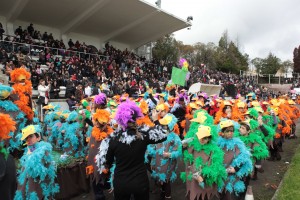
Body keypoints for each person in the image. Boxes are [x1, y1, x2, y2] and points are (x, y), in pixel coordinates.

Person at [96, 100, 168, 200]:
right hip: (140, 181)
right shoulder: (143, 135)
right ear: (135, 118)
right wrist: (156, 120)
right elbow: (163, 135)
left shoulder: (112, 139)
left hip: (121, 182)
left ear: (119, 119)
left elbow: (106, 162)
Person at [15, 124, 59, 199]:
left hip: (39, 183)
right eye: (26, 138)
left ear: (38, 137)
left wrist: (30, 155)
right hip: (28, 182)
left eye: (31, 136)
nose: (28, 139)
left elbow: (37, 169)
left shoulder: (44, 148)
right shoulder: (29, 149)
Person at [147, 113, 182, 199]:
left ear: (170, 127)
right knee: (159, 179)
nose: (162, 126)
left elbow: (179, 151)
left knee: (166, 182)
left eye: (164, 125)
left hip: (168, 164)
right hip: (157, 162)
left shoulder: (175, 137)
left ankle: (167, 196)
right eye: (162, 124)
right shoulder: (157, 134)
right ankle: (162, 192)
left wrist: (170, 154)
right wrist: (151, 154)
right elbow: (151, 147)